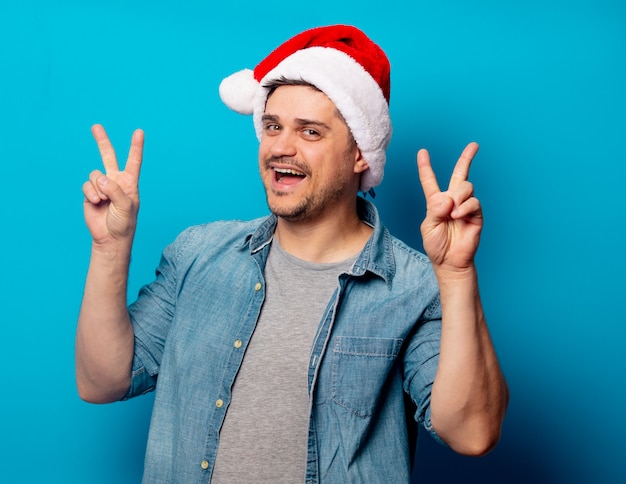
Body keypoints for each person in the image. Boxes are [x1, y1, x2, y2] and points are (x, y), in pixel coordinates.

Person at [76, 25, 508, 483]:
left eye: (311, 132)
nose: (282, 147)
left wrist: (457, 276)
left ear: (360, 153)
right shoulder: (198, 254)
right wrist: (109, 247)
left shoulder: (415, 286)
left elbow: (472, 433)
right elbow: (102, 381)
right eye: (273, 125)